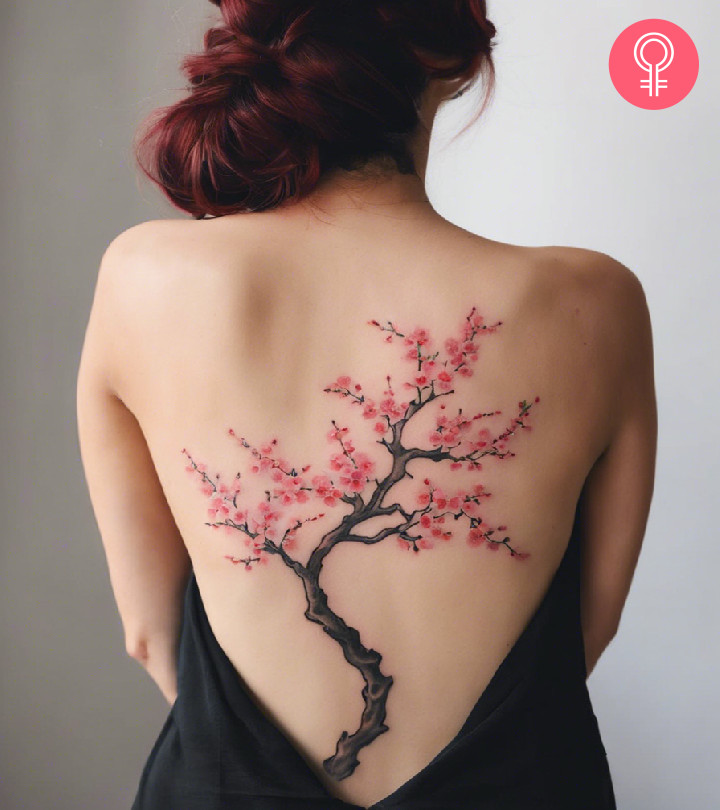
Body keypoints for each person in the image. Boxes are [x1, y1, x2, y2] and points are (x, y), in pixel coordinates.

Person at [76, 1, 657, 807]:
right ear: (455, 60)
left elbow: (150, 638)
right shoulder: (593, 300)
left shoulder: (146, 277)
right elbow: (583, 635)